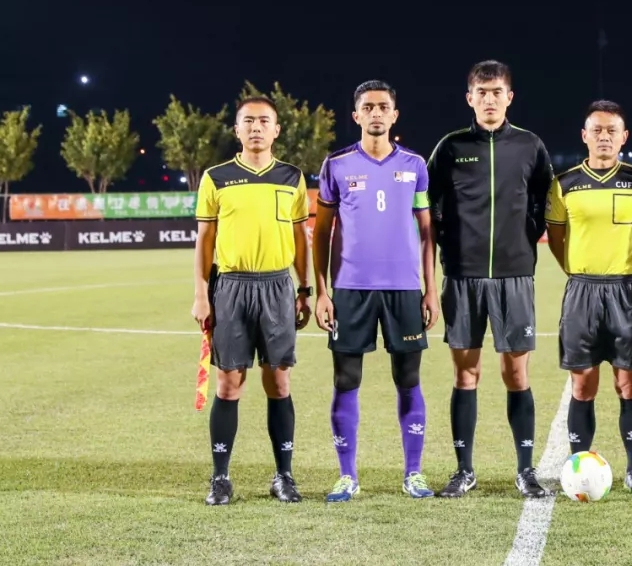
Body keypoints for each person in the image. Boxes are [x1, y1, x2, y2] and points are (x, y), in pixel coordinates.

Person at [426, 60, 554, 499]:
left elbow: (543, 200)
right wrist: (450, 245)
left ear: (509, 97)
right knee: (466, 374)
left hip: (514, 276)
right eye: (481, 92)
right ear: (470, 98)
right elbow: (429, 206)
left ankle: (525, 470)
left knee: (516, 373)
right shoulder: (450, 147)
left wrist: (525, 237)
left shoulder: (530, 146)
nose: (489, 100)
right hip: (462, 276)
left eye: (497, 92)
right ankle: (464, 470)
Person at [312, 80, 440, 502]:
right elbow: (322, 233)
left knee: (409, 378)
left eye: (383, 106)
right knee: (346, 379)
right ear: (356, 116)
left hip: (404, 289)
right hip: (350, 290)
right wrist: (323, 292)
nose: (376, 113)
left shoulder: (415, 165)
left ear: (394, 114)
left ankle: (414, 473)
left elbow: (427, 233)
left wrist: (430, 289)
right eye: (368, 107)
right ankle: (347, 476)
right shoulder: (336, 165)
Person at [192, 95, 312, 506]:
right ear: (237, 129)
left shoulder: (292, 177)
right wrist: (201, 295)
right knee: (229, 384)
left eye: (264, 121)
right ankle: (220, 478)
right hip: (231, 288)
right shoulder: (216, 177)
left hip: (278, 287)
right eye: (248, 121)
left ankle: (284, 476)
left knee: (279, 381)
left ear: (276, 130)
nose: (256, 127)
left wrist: (305, 289)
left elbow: (300, 237)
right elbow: (205, 239)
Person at [545, 99, 632, 495]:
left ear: (624, 137)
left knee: (629, 383)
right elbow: (556, 238)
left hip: (626, 291)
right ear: (585, 135)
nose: (604, 137)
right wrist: (577, 271)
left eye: (612, 131)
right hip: (582, 292)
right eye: (597, 130)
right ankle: (579, 466)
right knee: (583, 385)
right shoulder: (565, 183)